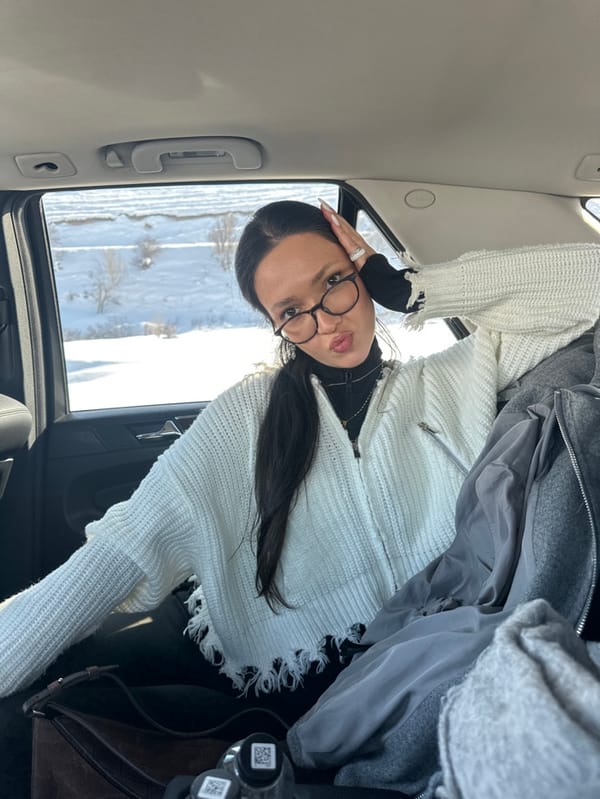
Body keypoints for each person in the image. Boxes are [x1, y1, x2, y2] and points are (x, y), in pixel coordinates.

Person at [1, 199, 599, 793]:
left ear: (359, 269)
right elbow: (125, 550)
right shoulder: (245, 419)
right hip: (312, 690)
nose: (326, 321)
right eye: (292, 311)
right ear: (275, 324)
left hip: (440, 649)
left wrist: (411, 288)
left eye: (335, 283)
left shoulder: (454, 379)